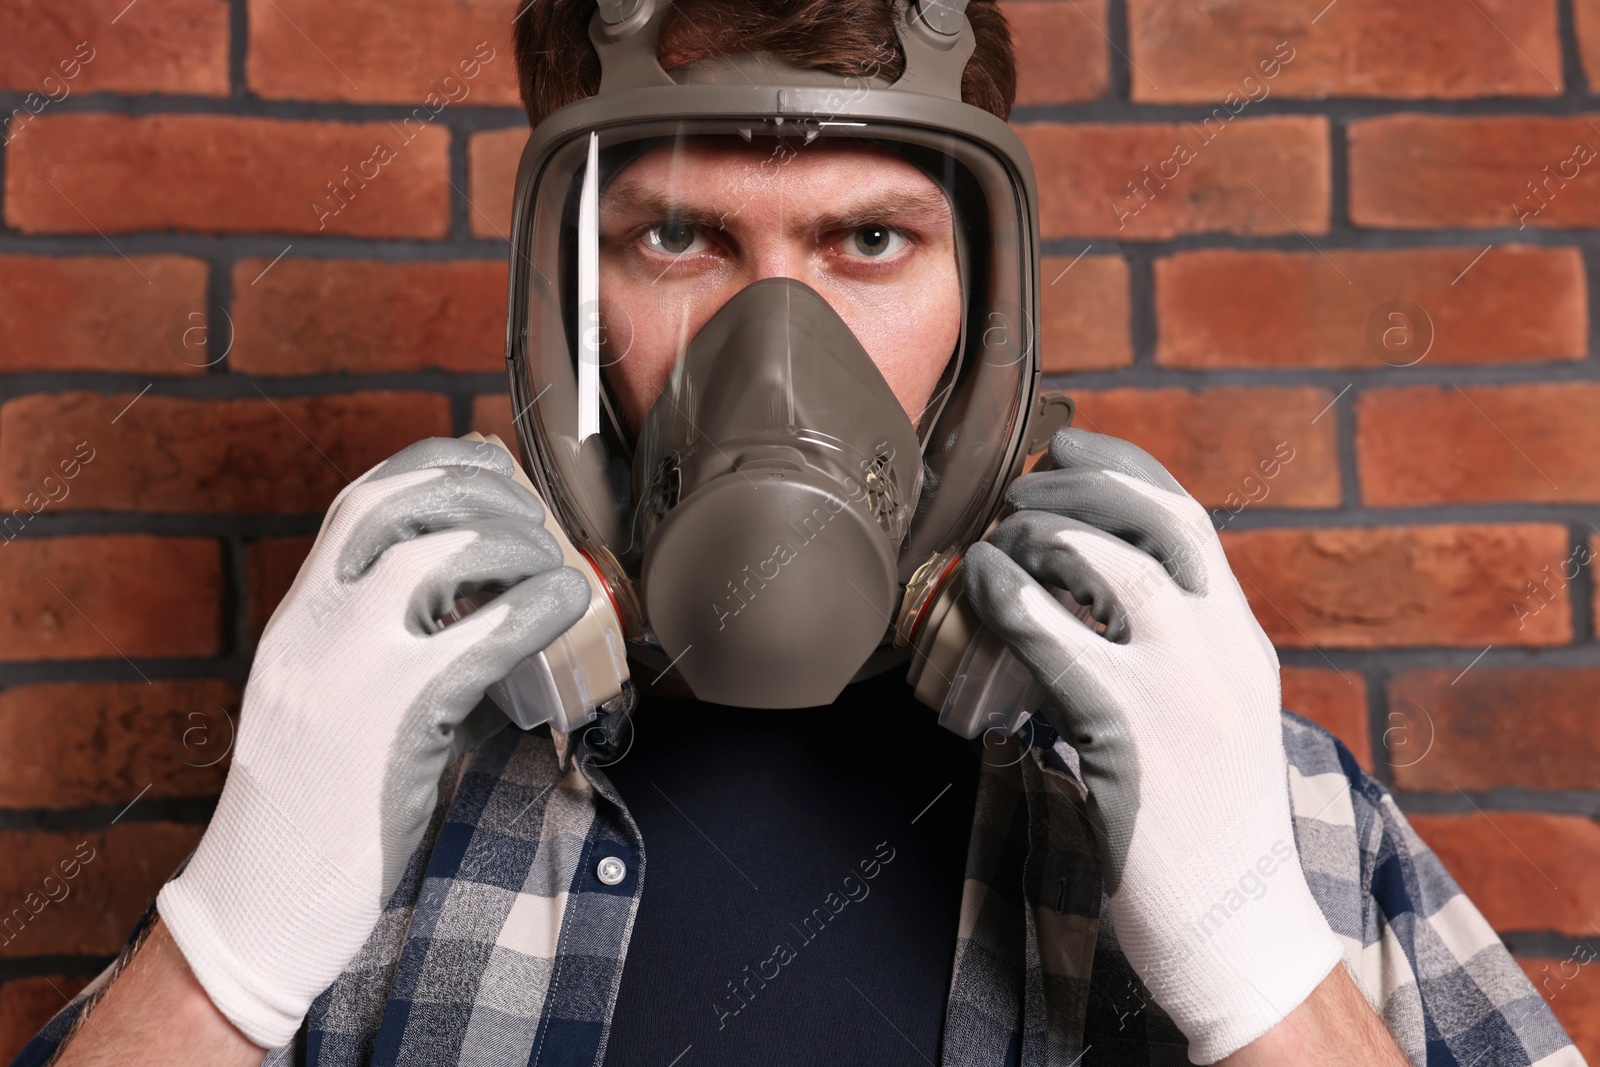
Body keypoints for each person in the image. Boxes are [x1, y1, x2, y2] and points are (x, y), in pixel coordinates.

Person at [14, 1, 1584, 1065]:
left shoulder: (1266, 811)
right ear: (568, 298)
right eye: (679, 236)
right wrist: (230, 952)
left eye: (873, 238)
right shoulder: (355, 800)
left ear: (984, 308)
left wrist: (1254, 963)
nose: (781, 343)